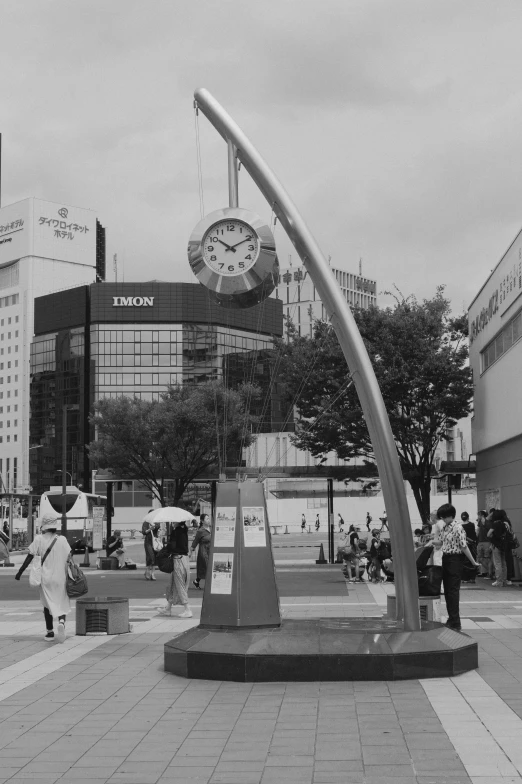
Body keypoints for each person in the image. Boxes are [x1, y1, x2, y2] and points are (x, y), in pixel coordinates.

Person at [14, 513, 71, 642]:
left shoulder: (39, 539)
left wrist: (20, 572)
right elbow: (69, 557)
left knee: (47, 605)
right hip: (60, 577)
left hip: (45, 578)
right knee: (60, 601)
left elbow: (29, 556)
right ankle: (61, 622)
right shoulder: (62, 540)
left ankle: (49, 632)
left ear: (44, 526)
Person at [436, 503, 479, 630]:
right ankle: (452, 619)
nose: (442, 519)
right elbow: (442, 542)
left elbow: (463, 546)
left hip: (455, 560)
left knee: (453, 591)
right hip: (446, 558)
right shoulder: (445, 527)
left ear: (451, 516)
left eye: (444, 517)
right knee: (448, 591)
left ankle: (455, 622)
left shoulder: (458, 527)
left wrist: (473, 562)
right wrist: (430, 543)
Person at [158, 520, 192, 617]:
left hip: (178, 560)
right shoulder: (184, 531)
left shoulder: (176, 532)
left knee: (180, 585)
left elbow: (172, 547)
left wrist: (164, 548)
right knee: (173, 584)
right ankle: (168, 609)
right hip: (184, 559)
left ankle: (187, 609)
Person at [488, 510, 513, 587]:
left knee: (497, 563)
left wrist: (493, 538)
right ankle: (504, 580)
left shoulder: (495, 524)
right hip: (504, 545)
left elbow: (488, 534)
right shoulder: (506, 524)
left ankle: (499, 581)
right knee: (504, 563)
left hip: (496, 545)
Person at [191, 514, 211, 589]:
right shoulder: (200, 531)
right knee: (207, 567)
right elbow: (195, 542)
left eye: (209, 518)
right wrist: (190, 551)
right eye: (207, 519)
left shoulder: (211, 528)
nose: (208, 520)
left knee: (206, 568)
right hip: (203, 551)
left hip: (210, 551)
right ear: (202, 521)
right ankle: (209, 586)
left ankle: (196, 581)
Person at [460, 512, 478, 584]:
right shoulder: (472, 525)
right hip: (472, 545)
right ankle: (472, 578)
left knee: (464, 561)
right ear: (468, 517)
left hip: (463, 545)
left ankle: (464, 578)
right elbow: (474, 534)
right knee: (472, 560)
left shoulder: (460, 526)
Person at [476, 510, 493, 579]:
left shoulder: (488, 523)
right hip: (480, 542)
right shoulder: (479, 522)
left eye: (479, 515)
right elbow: (478, 531)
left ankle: (490, 574)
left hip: (487, 542)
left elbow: (491, 533)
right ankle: (491, 571)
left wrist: (491, 543)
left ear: (482, 516)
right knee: (479, 559)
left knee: (488, 558)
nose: (478, 517)